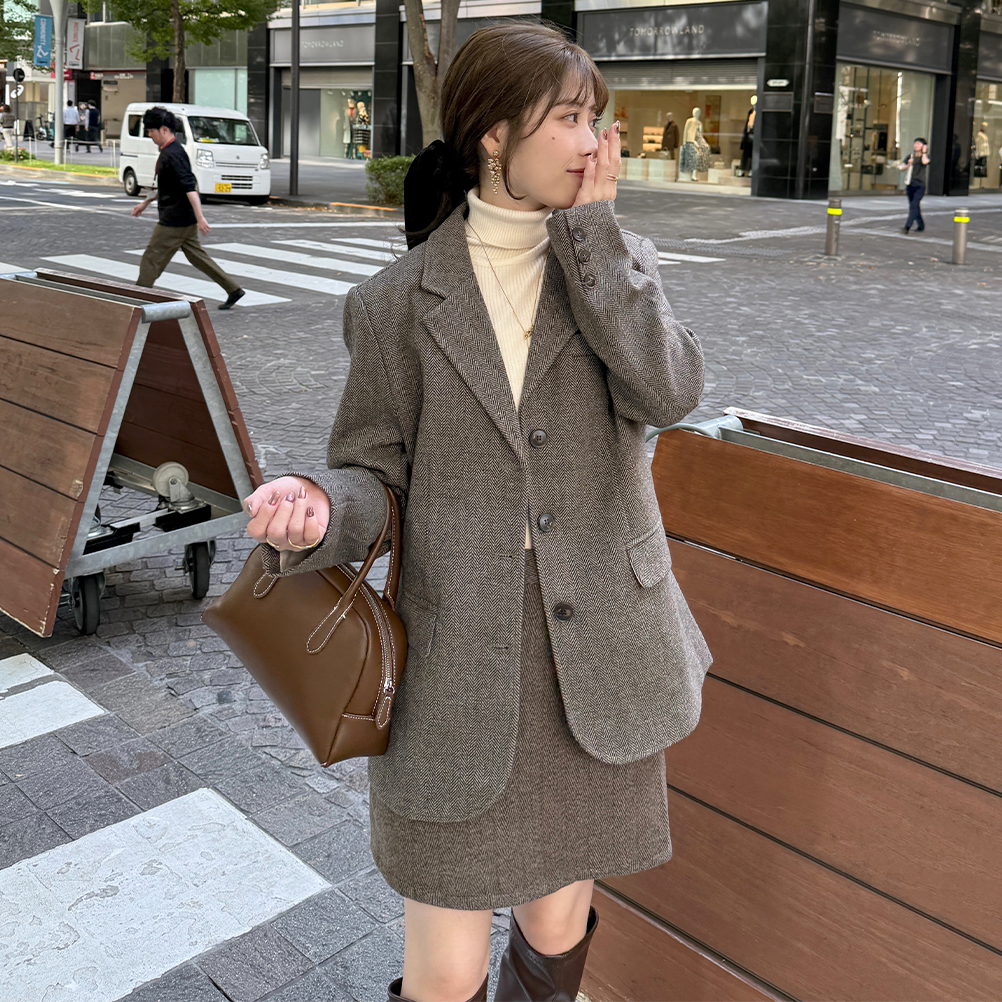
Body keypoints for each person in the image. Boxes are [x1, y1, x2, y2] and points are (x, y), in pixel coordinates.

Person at [241, 22, 710, 1002]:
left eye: (596, 118)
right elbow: (375, 477)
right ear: (494, 135)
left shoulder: (616, 268)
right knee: (447, 972)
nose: (594, 142)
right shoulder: (394, 305)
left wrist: (595, 240)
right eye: (569, 118)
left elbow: (668, 394)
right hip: (459, 669)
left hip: (598, 662)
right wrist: (319, 507)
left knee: (554, 928)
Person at [131, 106, 245, 309]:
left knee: (152, 258)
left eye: (151, 131)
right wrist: (146, 202)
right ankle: (233, 288)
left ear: (164, 130)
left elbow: (189, 187)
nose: (149, 135)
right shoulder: (173, 151)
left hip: (173, 221)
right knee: (198, 257)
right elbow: (168, 186)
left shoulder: (172, 154)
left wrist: (201, 217)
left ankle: (139, 296)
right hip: (185, 219)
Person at [898, 138, 929, 234]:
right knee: (915, 206)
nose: (916, 145)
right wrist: (908, 164)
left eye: (918, 144)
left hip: (920, 185)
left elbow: (925, 162)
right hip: (910, 185)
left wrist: (924, 152)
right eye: (915, 144)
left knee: (913, 205)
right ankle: (921, 225)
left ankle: (907, 226)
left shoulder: (925, 156)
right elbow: (901, 167)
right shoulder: (910, 156)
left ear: (923, 146)